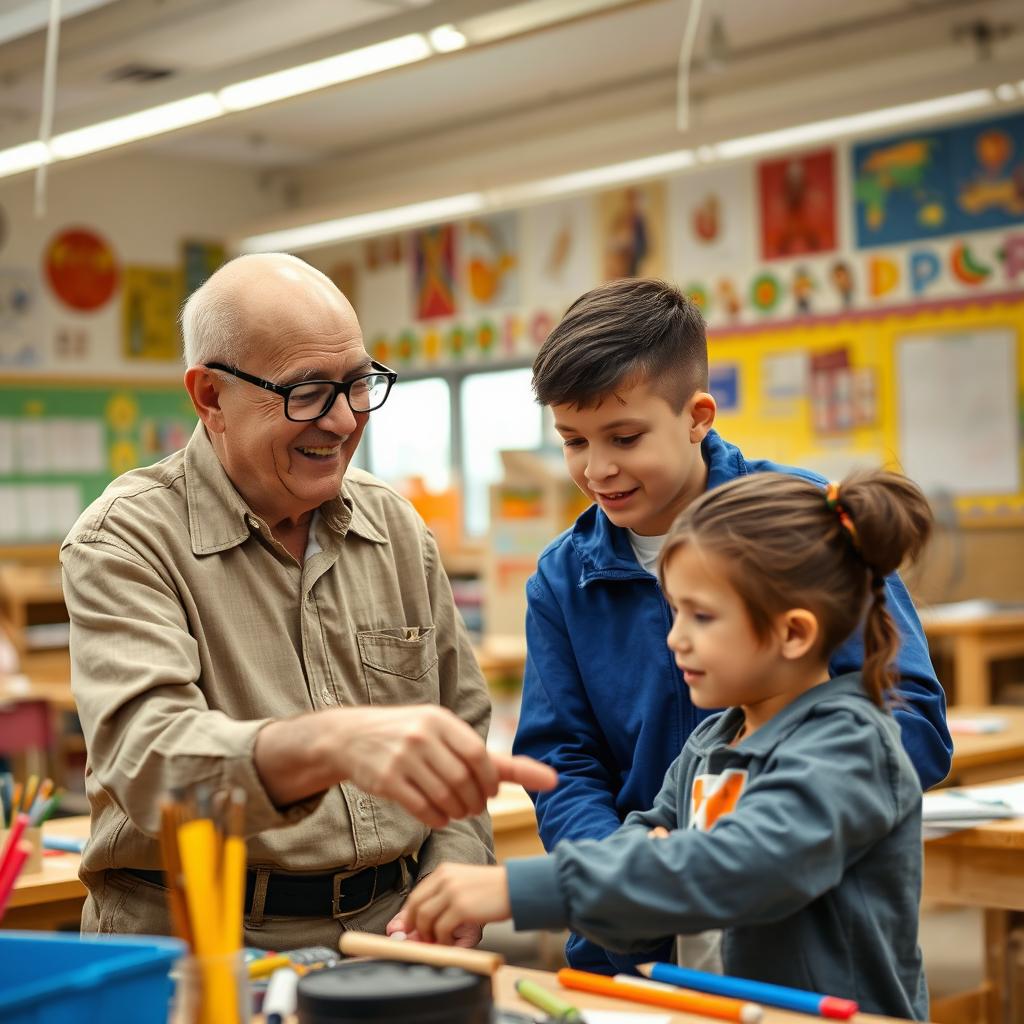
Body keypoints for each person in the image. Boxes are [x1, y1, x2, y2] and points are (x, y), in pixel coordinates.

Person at [61, 253, 554, 951]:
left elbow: (459, 728)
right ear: (210, 398)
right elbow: (153, 767)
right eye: (308, 392)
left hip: (396, 931)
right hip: (206, 940)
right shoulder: (126, 540)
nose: (346, 419)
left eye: (358, 383)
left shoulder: (395, 528)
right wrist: (334, 745)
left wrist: (452, 876)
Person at [509, 278, 951, 974]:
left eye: (625, 437)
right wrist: (625, 884)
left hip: (798, 930)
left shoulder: (802, 525)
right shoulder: (563, 580)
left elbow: (912, 721)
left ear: (697, 416)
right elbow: (562, 762)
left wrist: (757, 842)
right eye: (572, 442)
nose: (597, 469)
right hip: (633, 940)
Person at [402, 468, 933, 1020]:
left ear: (794, 632)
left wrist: (523, 889)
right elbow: (639, 875)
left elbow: (740, 868)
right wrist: (632, 890)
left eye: (702, 617)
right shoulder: (712, 740)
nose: (675, 637)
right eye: (676, 611)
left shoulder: (849, 744)